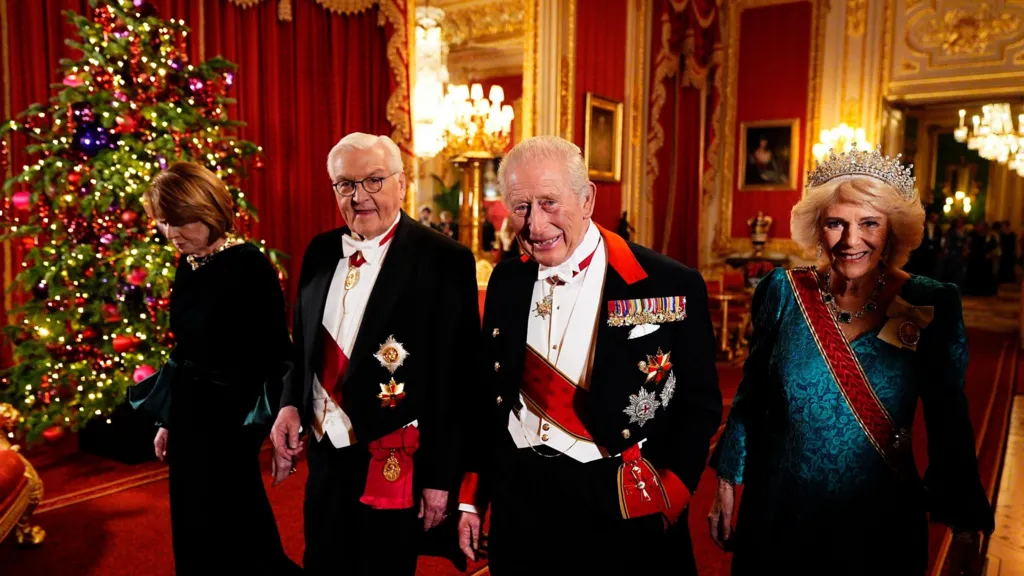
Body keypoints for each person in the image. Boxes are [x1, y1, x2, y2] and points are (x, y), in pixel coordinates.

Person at [707, 147, 994, 575]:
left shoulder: (930, 301)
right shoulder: (783, 292)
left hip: (879, 518)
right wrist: (728, 479)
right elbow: (751, 397)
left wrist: (966, 525)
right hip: (779, 511)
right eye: (836, 223)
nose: (850, 240)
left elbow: (949, 419)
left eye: (869, 223)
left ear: (893, 228)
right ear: (817, 228)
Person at [456, 136, 722, 575]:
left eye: (549, 203)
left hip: (618, 498)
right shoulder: (506, 280)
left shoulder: (666, 283)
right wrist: (473, 494)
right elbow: (488, 396)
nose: (535, 225)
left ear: (587, 200)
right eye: (521, 207)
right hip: (519, 499)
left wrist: (671, 493)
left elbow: (701, 405)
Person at [269, 133, 480, 576]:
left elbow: (456, 382)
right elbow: (303, 347)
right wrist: (290, 403)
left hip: (394, 459)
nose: (359, 196)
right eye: (346, 184)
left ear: (401, 183)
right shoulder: (320, 250)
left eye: (374, 180)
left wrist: (440, 479)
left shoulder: (443, 260)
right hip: (326, 456)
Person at [140, 162, 299, 574]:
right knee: (192, 530)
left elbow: (278, 354)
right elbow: (185, 351)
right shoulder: (189, 263)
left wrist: (274, 427)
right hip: (190, 416)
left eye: (180, 221)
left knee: (238, 533)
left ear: (208, 211)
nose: (171, 233)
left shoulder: (249, 265)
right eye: (164, 223)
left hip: (232, 423)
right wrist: (168, 419)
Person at [906, 207, 943, 279]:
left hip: (932, 255)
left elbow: (938, 242)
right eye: (934, 214)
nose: (936, 217)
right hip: (921, 253)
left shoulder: (938, 229)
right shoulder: (923, 225)